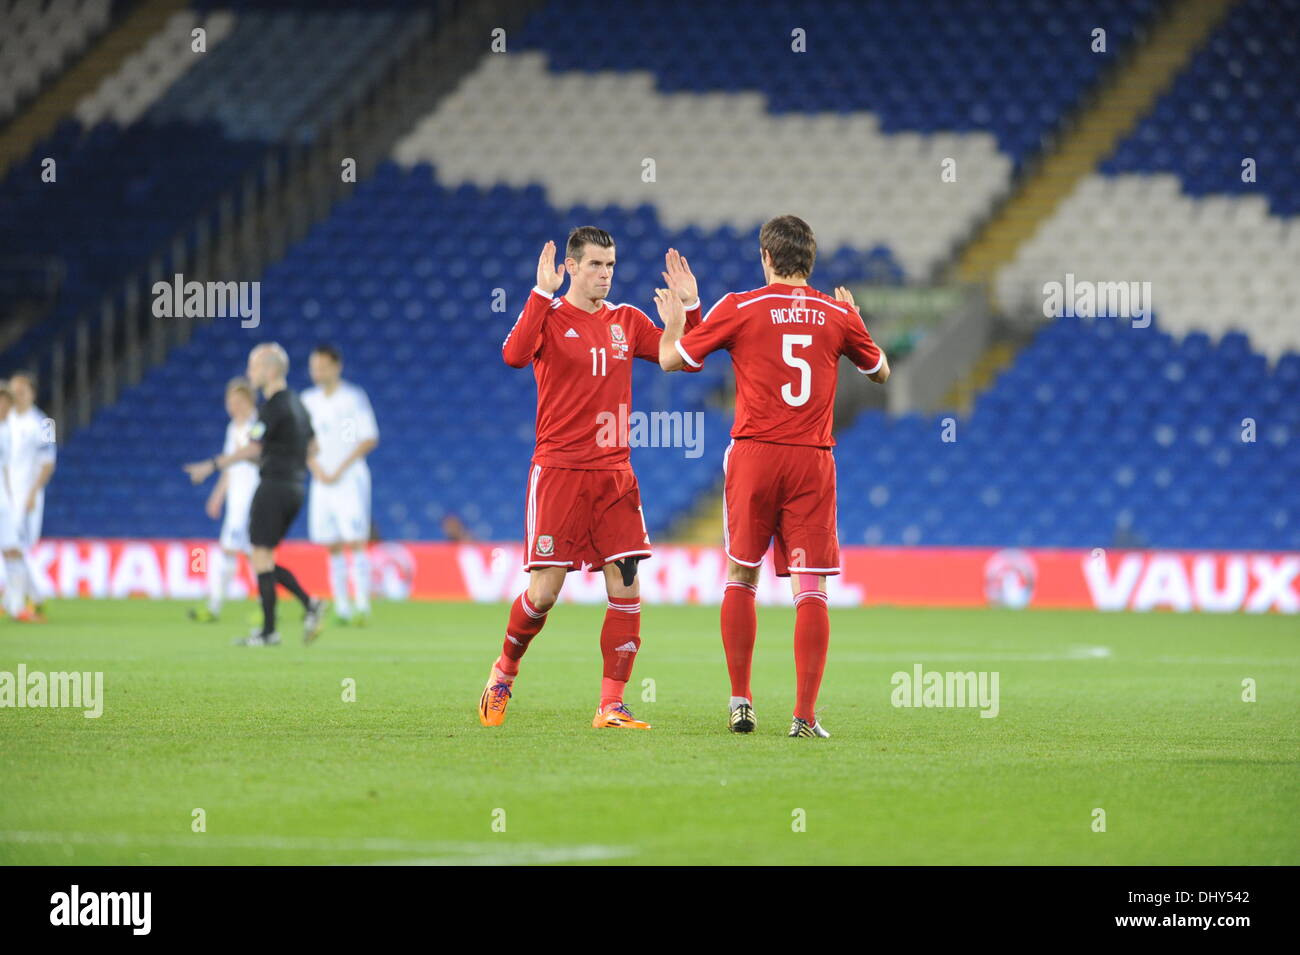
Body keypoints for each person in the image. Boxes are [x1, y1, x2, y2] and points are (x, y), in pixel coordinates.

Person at [657, 215, 889, 738]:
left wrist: (685, 311)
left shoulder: (741, 306)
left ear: (766, 258)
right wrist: (855, 320)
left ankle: (741, 701)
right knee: (812, 590)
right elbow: (880, 372)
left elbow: (677, 361)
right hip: (811, 459)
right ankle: (804, 717)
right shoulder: (837, 314)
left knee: (742, 575)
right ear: (811, 260)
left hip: (755, 456)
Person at [480, 230, 701, 729]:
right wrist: (540, 293)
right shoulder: (550, 318)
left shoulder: (626, 321)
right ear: (572, 268)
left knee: (626, 588)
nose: (606, 273)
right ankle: (504, 672)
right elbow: (514, 355)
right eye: (597, 264)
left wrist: (690, 307)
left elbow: (688, 356)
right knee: (543, 594)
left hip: (614, 476)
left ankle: (611, 704)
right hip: (558, 471)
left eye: (612, 265)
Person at [185, 343, 327, 646]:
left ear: (270, 370)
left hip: (273, 487)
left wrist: (211, 465)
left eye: (254, 367)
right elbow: (313, 447)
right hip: (295, 489)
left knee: (260, 557)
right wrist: (284, 454)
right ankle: (301, 609)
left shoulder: (273, 405)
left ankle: (273, 628)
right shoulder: (299, 404)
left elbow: (253, 447)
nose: (250, 373)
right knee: (262, 558)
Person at [302, 344, 379, 626]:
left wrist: (339, 469)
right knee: (331, 544)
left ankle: (362, 605)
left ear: (336, 366)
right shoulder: (307, 401)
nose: (317, 371)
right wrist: (317, 468)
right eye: (313, 366)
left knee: (355, 541)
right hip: (321, 480)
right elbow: (302, 441)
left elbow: (368, 438)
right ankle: (343, 607)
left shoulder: (352, 398)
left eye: (322, 366)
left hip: (349, 479)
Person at [189, 378, 260, 623]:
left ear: (249, 400)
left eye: (238, 401)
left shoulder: (257, 426)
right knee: (237, 551)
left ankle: (222, 606)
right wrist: (217, 495)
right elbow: (230, 467)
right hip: (237, 499)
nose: (233, 407)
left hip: (254, 497)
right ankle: (216, 605)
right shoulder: (233, 428)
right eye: (230, 402)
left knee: (249, 552)